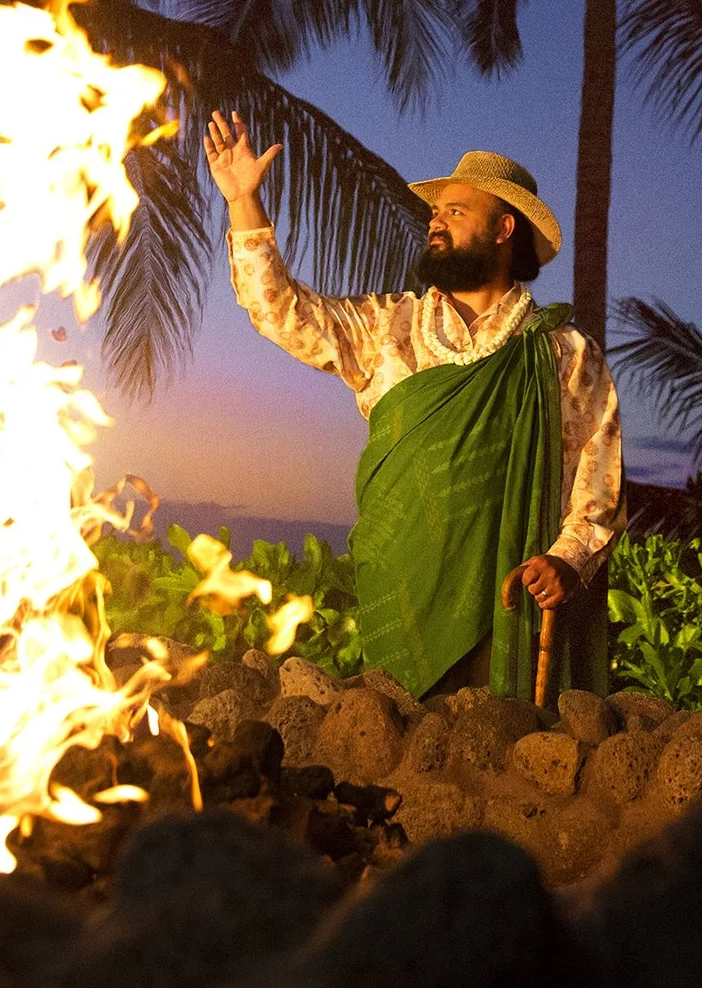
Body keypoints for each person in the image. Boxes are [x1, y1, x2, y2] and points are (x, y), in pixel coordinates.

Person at [204, 111, 621, 700]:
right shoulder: (388, 325)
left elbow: (596, 479)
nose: (436, 222)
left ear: (503, 229)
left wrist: (567, 560)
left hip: (509, 595)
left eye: (455, 211)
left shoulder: (563, 352)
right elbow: (281, 312)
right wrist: (243, 201)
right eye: (434, 212)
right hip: (402, 584)